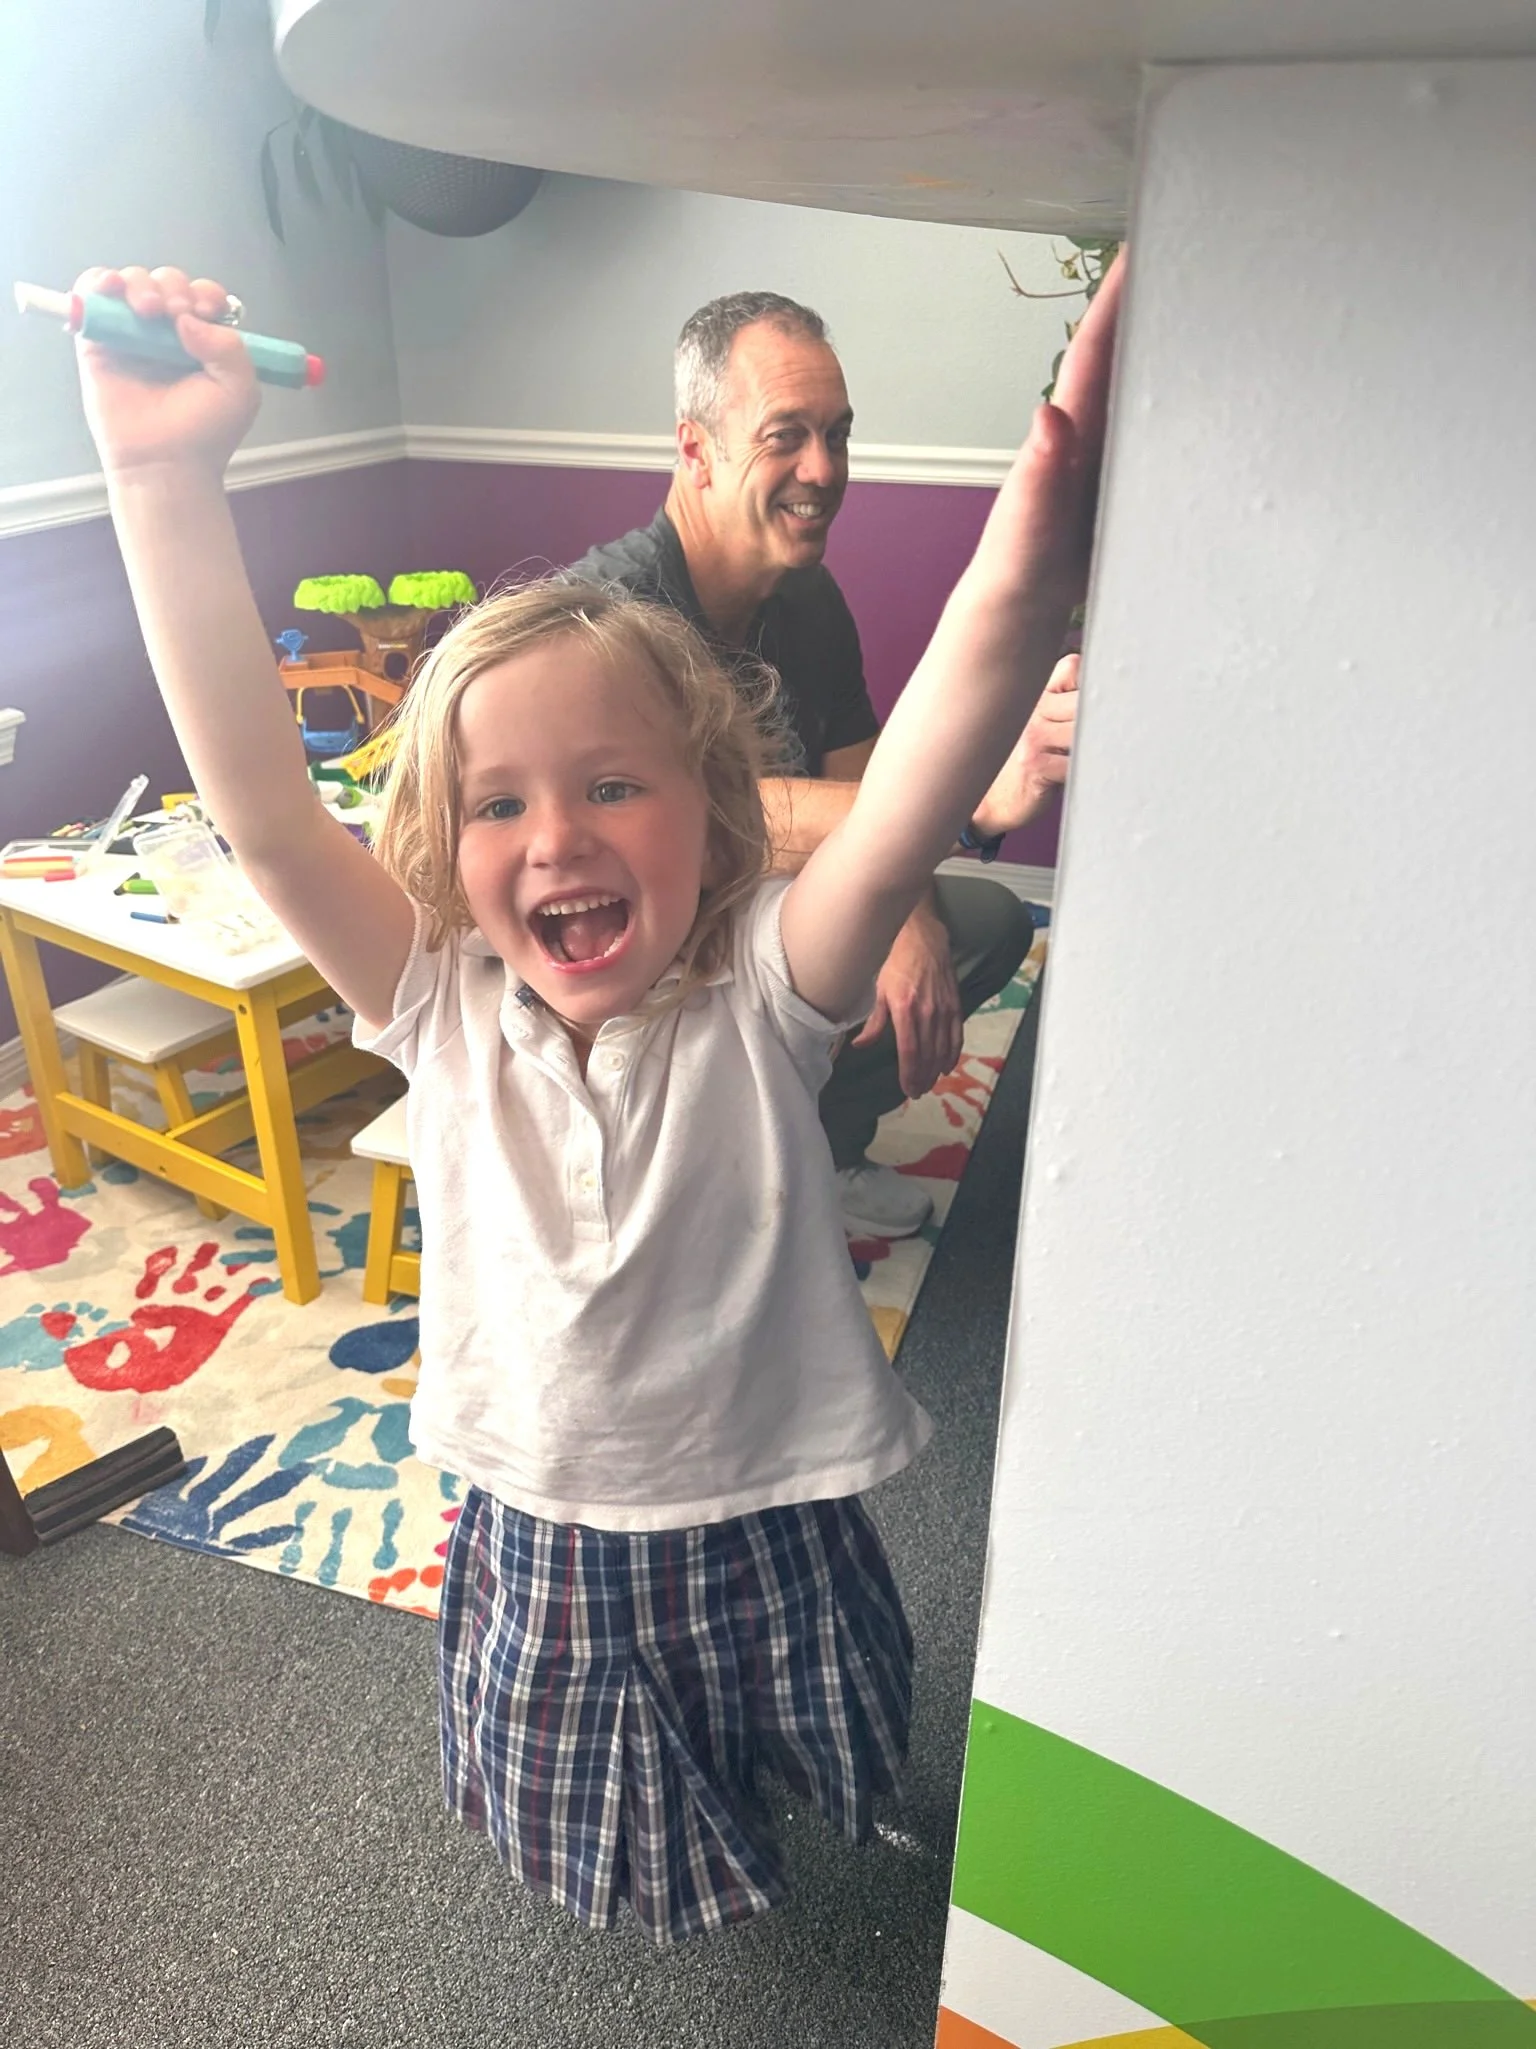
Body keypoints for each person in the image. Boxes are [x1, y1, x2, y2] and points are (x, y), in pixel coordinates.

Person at [70, 253, 1121, 1944]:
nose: (553, 837)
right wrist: (154, 473)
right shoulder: (436, 994)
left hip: (760, 1496)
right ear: (448, 841)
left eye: (612, 785)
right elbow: (265, 812)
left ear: (710, 811)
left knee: (798, 1745)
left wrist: (1042, 527)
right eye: (499, 804)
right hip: (547, 1524)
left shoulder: (774, 986)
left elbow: (919, 773)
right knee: (613, 1819)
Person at [570, 291, 1081, 1240]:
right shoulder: (609, 620)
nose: (824, 470)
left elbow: (855, 767)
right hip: (647, 978)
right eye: (786, 436)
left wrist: (908, 914)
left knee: (986, 925)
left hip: (787, 933)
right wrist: (960, 795)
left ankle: (822, 1150)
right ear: (695, 450)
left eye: (838, 435)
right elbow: (709, 816)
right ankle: (697, 1193)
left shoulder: (804, 591)